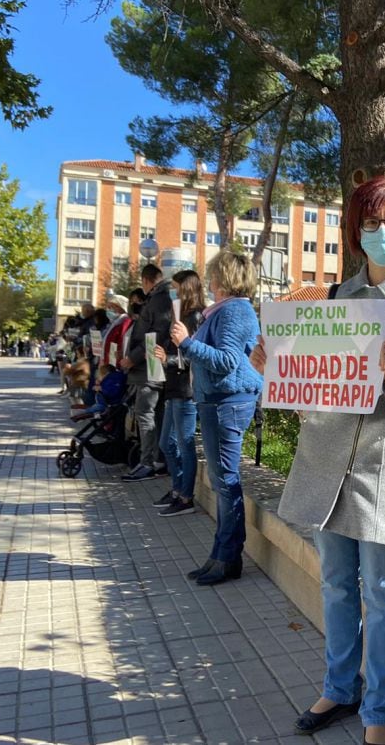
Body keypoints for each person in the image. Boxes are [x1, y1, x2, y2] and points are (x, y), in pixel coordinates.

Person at [251, 177, 385, 745]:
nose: (384, 232)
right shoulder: (336, 298)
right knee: (337, 583)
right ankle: (340, 687)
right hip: (327, 458)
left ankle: (378, 710)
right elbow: (312, 389)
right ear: (355, 229)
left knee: (384, 590)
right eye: (373, 221)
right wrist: (276, 368)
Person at [171, 250, 262, 585]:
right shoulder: (224, 312)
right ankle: (220, 555)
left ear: (224, 279)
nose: (208, 281)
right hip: (217, 402)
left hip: (227, 402)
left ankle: (227, 557)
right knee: (222, 481)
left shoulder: (236, 311)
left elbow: (226, 361)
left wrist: (187, 343)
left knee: (225, 481)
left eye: (212, 275)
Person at [152, 270, 205, 517]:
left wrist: (167, 360)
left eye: (175, 288)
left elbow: (193, 355)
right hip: (173, 387)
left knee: (184, 445)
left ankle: (186, 497)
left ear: (186, 289)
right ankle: (177, 489)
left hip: (186, 391)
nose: (172, 292)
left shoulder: (194, 317)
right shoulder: (179, 315)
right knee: (166, 443)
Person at [122, 267, 172, 481]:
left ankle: (148, 462)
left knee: (145, 413)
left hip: (149, 368)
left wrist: (133, 357)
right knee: (156, 414)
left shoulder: (159, 299)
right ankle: (158, 460)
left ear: (146, 280)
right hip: (152, 366)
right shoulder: (161, 298)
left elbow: (154, 335)